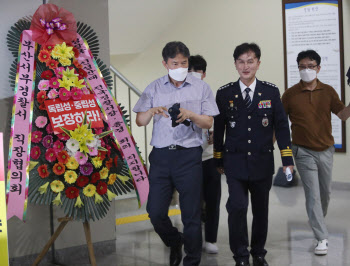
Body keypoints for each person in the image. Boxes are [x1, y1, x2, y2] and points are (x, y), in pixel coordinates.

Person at [133, 41, 219, 266]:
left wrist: (190, 114)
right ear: (165, 64)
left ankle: (192, 261)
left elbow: (208, 120)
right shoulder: (154, 87)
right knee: (155, 212)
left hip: (189, 156)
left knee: (191, 215)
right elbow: (139, 121)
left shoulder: (201, 88)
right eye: (175, 63)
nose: (180, 67)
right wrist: (151, 111)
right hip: (161, 157)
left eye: (184, 63)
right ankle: (174, 241)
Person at [214, 43, 294, 266]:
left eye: (250, 61)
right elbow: (219, 128)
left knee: (261, 211)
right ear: (235, 64)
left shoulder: (270, 91)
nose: (245, 66)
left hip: (262, 162)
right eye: (241, 61)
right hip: (235, 163)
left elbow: (281, 127)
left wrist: (287, 160)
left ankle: (258, 252)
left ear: (258, 63)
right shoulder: (224, 93)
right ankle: (240, 255)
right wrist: (218, 157)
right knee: (237, 207)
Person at [281, 50, 350, 255]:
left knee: (324, 194)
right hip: (302, 151)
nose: (306, 70)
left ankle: (317, 220)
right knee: (312, 195)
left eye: (311, 66)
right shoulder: (290, 94)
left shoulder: (328, 91)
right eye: (302, 66)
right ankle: (321, 236)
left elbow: (343, 115)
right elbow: (280, 124)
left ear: (318, 68)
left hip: (326, 150)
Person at [188, 55, 222, 254]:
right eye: (190, 71)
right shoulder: (179, 96)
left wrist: (216, 134)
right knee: (192, 201)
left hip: (209, 157)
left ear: (204, 74)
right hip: (190, 159)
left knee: (212, 200)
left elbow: (220, 122)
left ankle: (211, 238)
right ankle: (193, 238)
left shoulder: (211, 95)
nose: (194, 74)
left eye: (198, 71)